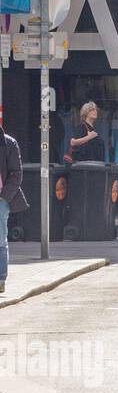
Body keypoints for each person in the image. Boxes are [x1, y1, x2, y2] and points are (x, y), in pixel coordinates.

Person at [0, 124, 30, 294]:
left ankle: (1, 278)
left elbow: (16, 173)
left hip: (1, 200)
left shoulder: (9, 143)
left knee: (0, 240)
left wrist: (4, 196)